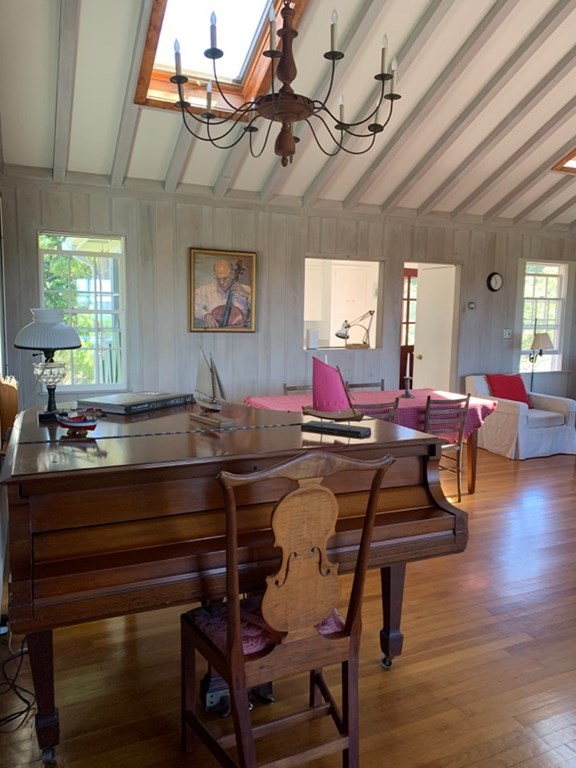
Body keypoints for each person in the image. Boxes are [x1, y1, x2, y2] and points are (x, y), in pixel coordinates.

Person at [194, 259, 251, 329]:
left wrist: (247, 295)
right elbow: (190, 305)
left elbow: (260, 310)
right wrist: (205, 315)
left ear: (232, 274)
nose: (221, 282)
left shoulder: (247, 290)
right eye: (218, 279)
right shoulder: (206, 290)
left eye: (225, 278)